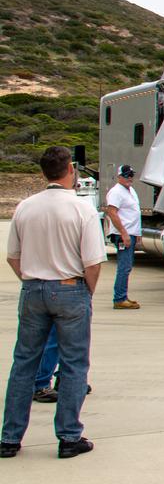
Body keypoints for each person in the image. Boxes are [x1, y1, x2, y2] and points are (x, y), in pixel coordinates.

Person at [2, 146, 106, 459]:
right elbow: (93, 261)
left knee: (24, 363)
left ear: (43, 173)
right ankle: (69, 436)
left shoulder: (25, 207)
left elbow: (12, 256)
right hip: (70, 288)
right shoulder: (81, 208)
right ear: (70, 170)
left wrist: (32, 281)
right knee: (74, 363)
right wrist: (85, 291)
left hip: (33, 288)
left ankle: (10, 438)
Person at [104, 164, 142, 309]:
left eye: (131, 175)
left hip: (131, 233)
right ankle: (119, 298)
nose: (129, 178)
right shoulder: (116, 192)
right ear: (119, 177)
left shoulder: (130, 190)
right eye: (126, 175)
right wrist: (124, 233)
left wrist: (137, 233)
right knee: (124, 266)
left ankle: (123, 296)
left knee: (127, 266)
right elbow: (112, 212)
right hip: (122, 234)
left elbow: (134, 213)